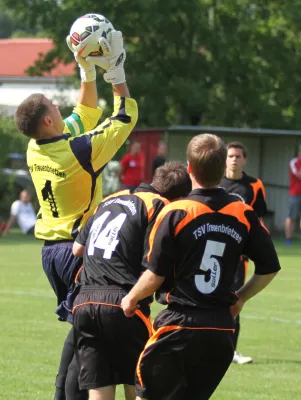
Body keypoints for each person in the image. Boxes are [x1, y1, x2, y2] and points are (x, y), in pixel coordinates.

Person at [14, 30, 137, 400]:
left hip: (51, 250)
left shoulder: (38, 148)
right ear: (50, 121)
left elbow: (84, 113)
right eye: (54, 107)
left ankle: (62, 394)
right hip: (77, 251)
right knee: (92, 332)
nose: (59, 108)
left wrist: (86, 69)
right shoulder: (80, 152)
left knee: (83, 327)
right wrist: (115, 73)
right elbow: (125, 116)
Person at [121, 133, 280, 400]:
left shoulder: (176, 212)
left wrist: (131, 298)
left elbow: (155, 274)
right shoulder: (242, 212)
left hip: (179, 325)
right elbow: (269, 268)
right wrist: (239, 298)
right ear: (222, 168)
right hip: (220, 331)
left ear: (189, 168)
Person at [71, 161, 191, 400]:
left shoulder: (111, 198)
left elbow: (77, 249)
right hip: (124, 304)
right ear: (178, 198)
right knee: (138, 385)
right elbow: (157, 264)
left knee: (100, 386)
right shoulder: (161, 206)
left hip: (84, 301)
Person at [220, 141, 267, 364]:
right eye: (230, 156)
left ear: (244, 159)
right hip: (213, 248)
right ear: (225, 159)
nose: (234, 159)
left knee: (235, 298)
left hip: (239, 254)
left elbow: (258, 220)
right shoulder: (216, 181)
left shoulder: (254, 185)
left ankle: (231, 351)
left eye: (238, 156)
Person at [284, 145, 301, 245]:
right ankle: (288, 239)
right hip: (295, 194)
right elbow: (299, 175)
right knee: (291, 217)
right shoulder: (294, 162)